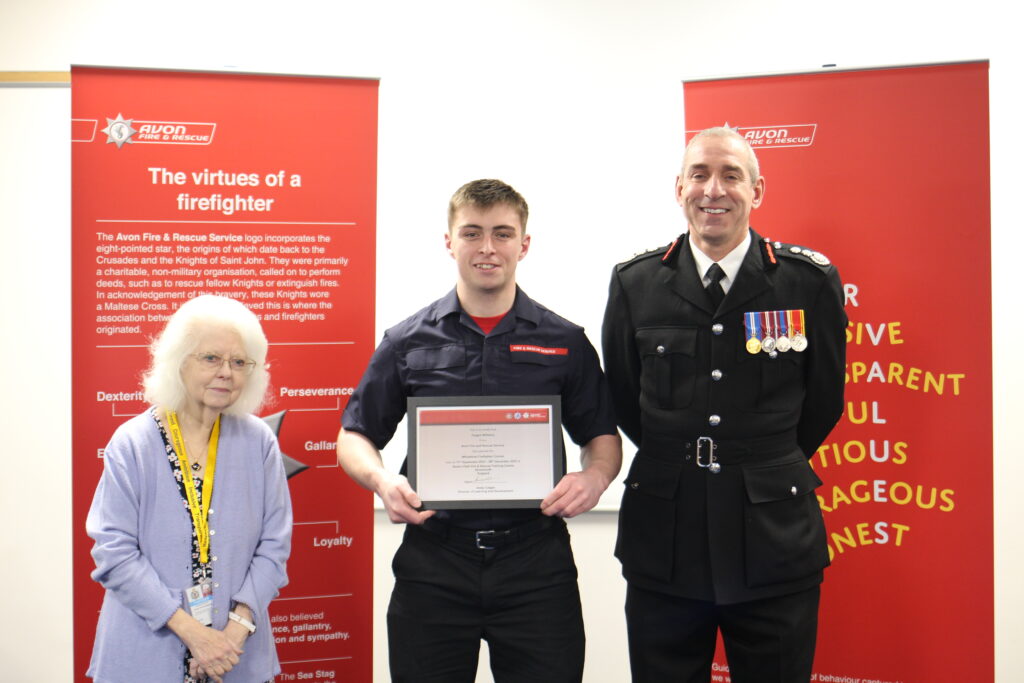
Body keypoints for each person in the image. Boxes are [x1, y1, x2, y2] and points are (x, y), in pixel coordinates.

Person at [337, 178, 622, 682]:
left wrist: (594, 479)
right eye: (472, 233)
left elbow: (601, 438)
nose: (487, 248)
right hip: (435, 562)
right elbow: (354, 436)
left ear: (523, 244)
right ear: (449, 241)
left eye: (502, 234)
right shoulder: (406, 341)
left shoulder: (565, 341)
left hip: (536, 563)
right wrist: (382, 482)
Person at [602, 127, 847, 683]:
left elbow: (824, 401)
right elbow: (624, 396)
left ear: (757, 191)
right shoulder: (636, 283)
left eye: (731, 175)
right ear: (679, 187)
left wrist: (757, 459)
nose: (714, 189)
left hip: (773, 540)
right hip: (666, 537)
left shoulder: (807, 282)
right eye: (700, 175)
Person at [87, 295, 293, 683]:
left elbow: (274, 545)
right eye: (211, 358)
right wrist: (196, 635)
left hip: (237, 656)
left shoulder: (259, 442)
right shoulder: (132, 443)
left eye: (239, 362)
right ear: (179, 361)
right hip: (145, 656)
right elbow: (114, 552)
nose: (226, 373)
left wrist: (233, 632)